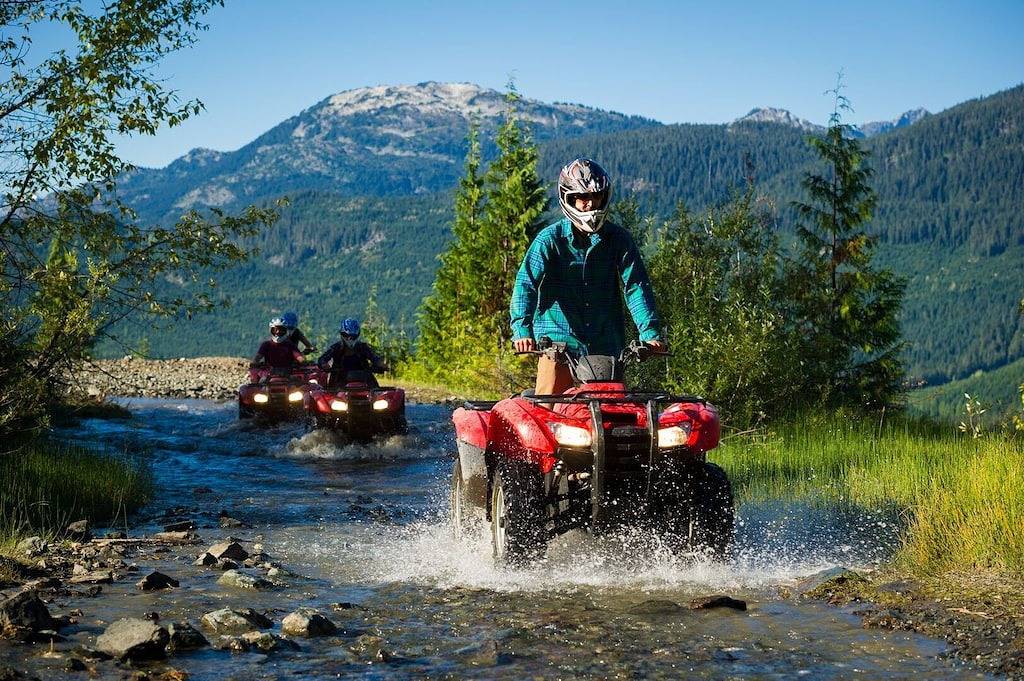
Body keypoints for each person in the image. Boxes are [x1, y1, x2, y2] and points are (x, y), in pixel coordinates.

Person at [510, 158, 665, 396]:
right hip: (557, 346)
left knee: (613, 416)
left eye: (596, 197)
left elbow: (636, 286)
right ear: (568, 198)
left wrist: (650, 334)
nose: (591, 204)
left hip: (606, 348)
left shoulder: (618, 239)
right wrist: (522, 332)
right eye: (583, 198)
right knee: (548, 412)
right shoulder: (549, 240)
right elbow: (526, 284)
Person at [317, 318, 388, 389]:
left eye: (353, 336)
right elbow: (322, 359)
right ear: (342, 334)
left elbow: (375, 358)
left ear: (357, 335)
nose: (350, 339)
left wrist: (380, 364)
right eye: (346, 336)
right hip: (339, 384)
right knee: (328, 396)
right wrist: (324, 364)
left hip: (365, 383)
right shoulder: (336, 348)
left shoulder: (363, 348)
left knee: (380, 393)